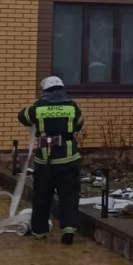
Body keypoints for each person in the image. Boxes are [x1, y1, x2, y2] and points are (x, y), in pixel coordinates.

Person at [18, 75, 85, 243]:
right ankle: (69, 228)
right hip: (68, 159)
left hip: (45, 160)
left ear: (45, 90)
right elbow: (79, 124)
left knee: (42, 196)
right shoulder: (71, 106)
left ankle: (39, 231)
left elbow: (23, 117)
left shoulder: (38, 107)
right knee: (69, 195)